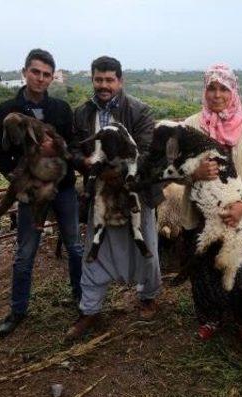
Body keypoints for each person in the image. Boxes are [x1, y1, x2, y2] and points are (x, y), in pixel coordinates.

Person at [66, 56, 161, 340]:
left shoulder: (139, 111)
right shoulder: (82, 114)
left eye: (109, 80)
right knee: (94, 252)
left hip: (135, 193)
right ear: (92, 80)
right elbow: (73, 150)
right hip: (100, 196)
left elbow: (146, 152)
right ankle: (90, 310)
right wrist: (86, 165)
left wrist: (117, 174)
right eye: (98, 79)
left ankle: (148, 296)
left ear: (120, 80)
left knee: (146, 247)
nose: (104, 85)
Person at [0, 49, 83, 338]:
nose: (41, 78)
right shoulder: (7, 109)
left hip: (63, 187)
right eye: (36, 72)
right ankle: (17, 310)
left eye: (46, 74)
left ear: (52, 77)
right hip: (31, 193)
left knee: (75, 246)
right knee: (25, 252)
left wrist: (61, 156)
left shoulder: (61, 109)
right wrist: (19, 183)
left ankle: (82, 301)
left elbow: (72, 146)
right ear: (25, 72)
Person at [181, 64, 242, 341]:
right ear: (204, 90)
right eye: (211, 88)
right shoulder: (191, 125)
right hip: (203, 214)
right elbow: (175, 168)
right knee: (205, 269)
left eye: (223, 89)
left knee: (241, 267)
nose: (216, 95)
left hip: (239, 213)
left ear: (233, 91)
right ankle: (210, 318)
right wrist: (194, 174)